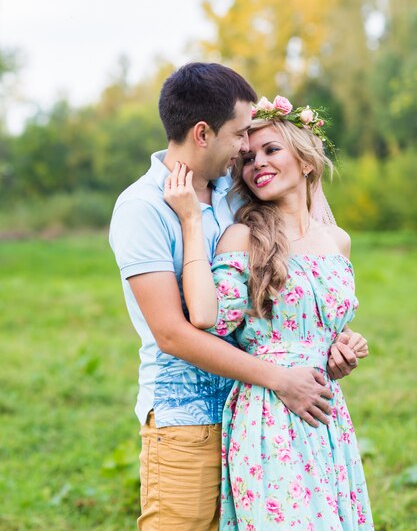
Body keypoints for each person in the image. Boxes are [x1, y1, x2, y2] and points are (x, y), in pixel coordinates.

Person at [109, 65, 363, 531]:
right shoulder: (142, 208)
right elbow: (173, 333)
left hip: (262, 410)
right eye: (241, 135)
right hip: (189, 416)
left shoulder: (234, 192)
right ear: (203, 133)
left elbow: (278, 296)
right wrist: (280, 378)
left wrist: (333, 343)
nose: (247, 148)